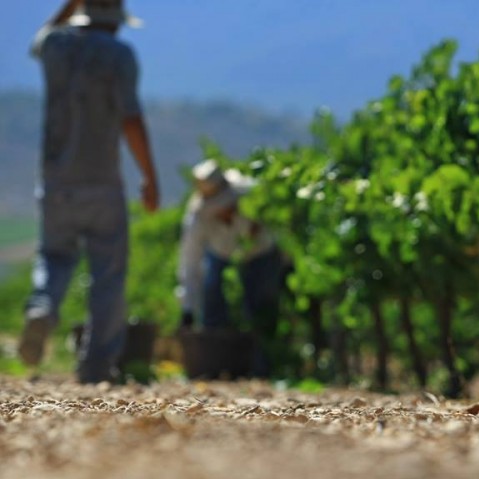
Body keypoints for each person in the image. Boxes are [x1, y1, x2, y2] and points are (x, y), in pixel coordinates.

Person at [18, 0, 160, 383]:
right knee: (108, 275)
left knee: (54, 256)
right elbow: (131, 118)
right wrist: (149, 176)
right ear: (116, 22)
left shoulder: (57, 46)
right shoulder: (120, 55)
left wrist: (69, 4)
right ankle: (96, 365)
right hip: (102, 182)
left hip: (56, 181)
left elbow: (37, 41)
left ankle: (43, 308)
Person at [178, 159, 282, 376]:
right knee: (211, 285)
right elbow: (190, 262)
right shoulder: (197, 219)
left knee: (260, 305)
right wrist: (188, 309)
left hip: (261, 254)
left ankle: (262, 365)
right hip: (220, 255)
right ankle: (214, 360)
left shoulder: (252, 198)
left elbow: (273, 234)